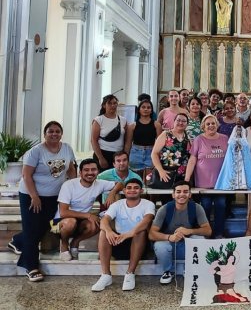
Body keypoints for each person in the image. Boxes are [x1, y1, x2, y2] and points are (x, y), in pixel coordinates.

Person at [8, 122, 76, 281]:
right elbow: (26, 176)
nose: (54, 134)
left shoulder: (67, 148)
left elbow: (71, 169)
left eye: (57, 131)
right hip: (31, 195)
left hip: (54, 195)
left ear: (61, 133)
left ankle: (18, 240)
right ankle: (31, 267)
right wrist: (34, 196)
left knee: (44, 225)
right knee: (32, 230)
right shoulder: (35, 152)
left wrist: (74, 188)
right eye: (50, 131)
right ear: (45, 134)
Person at [92, 178, 155, 292]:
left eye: (136, 188)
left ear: (141, 191)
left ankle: (130, 273)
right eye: (129, 188)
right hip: (119, 242)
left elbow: (147, 221)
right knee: (104, 232)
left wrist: (129, 234)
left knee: (140, 232)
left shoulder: (148, 204)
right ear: (124, 191)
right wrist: (110, 231)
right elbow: (104, 221)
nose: (132, 190)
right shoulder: (117, 204)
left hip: (139, 246)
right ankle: (106, 275)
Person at [55, 159, 121, 261]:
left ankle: (75, 242)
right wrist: (88, 215)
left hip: (80, 221)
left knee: (96, 224)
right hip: (57, 224)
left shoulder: (99, 183)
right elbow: (63, 212)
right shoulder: (69, 185)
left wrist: (113, 193)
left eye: (93, 169)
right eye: (86, 170)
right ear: (80, 172)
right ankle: (63, 245)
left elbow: (121, 184)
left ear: (98, 172)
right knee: (70, 222)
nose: (90, 173)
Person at [149, 180, 212, 285]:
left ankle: (190, 268)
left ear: (190, 194)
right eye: (178, 192)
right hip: (170, 246)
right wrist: (170, 237)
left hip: (187, 246)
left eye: (185, 191)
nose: (182, 194)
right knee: (160, 245)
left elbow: (208, 231)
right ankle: (168, 271)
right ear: (173, 194)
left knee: (200, 240)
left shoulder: (197, 208)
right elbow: (151, 234)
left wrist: (189, 231)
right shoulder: (164, 209)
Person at [185, 114, 228, 238]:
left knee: (221, 206)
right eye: (208, 124)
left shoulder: (225, 138)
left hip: (221, 183)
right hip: (203, 183)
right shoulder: (198, 139)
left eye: (213, 123)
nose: (211, 126)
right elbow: (192, 160)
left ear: (217, 125)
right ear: (203, 126)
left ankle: (219, 233)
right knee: (205, 207)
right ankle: (205, 234)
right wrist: (187, 181)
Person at [91, 95, 129, 172]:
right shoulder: (98, 120)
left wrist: (125, 157)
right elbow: (93, 140)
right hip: (103, 154)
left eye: (115, 103)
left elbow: (126, 140)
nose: (113, 105)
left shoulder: (123, 120)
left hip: (119, 155)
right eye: (110, 103)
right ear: (104, 105)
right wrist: (100, 158)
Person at [151, 113, 191, 186]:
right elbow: (154, 153)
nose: (180, 123)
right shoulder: (166, 134)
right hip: (166, 173)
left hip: (182, 176)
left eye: (184, 121)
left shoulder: (188, 137)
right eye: (178, 120)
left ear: (187, 124)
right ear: (174, 121)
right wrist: (160, 170)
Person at [125, 99, 161, 176]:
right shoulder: (132, 126)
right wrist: (126, 158)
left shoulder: (156, 125)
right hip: (135, 153)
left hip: (151, 153)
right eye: (143, 107)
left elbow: (159, 144)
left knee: (149, 179)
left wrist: (158, 157)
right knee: (135, 178)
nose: (146, 109)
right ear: (139, 110)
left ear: (151, 110)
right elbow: (128, 144)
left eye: (148, 107)